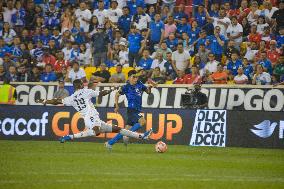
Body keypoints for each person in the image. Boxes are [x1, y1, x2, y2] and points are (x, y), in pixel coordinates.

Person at [36, 79, 153, 144]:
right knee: (96, 131)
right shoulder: (86, 91)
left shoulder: (71, 98)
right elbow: (100, 93)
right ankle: (69, 137)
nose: (84, 84)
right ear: (81, 85)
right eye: (83, 83)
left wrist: (45, 100)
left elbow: (57, 101)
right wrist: (112, 89)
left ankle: (142, 136)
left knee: (119, 129)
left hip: (91, 118)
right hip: (91, 116)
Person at [106, 70, 156, 149]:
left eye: (136, 77)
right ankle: (129, 135)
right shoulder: (126, 87)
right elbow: (117, 94)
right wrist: (116, 105)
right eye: (134, 77)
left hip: (137, 109)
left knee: (125, 130)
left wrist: (150, 87)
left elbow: (148, 92)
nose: (136, 79)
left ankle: (110, 143)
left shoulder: (139, 84)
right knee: (143, 121)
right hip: (132, 109)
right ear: (129, 78)